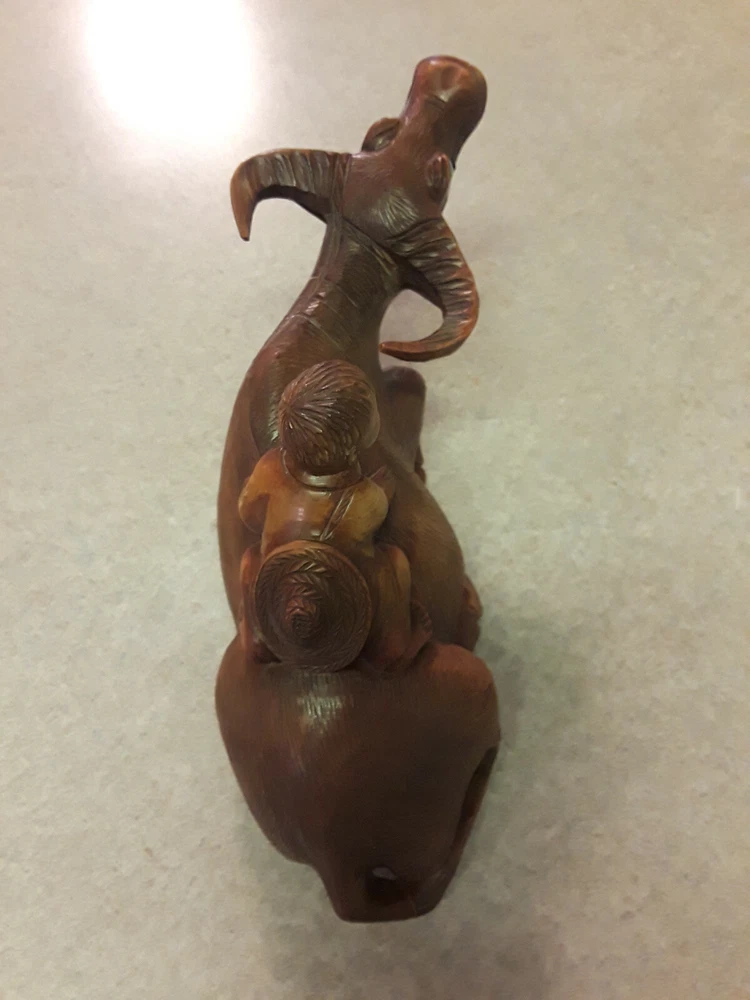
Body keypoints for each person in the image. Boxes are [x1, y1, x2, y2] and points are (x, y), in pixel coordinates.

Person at [237, 360, 430, 669]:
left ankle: (256, 635)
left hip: (281, 597)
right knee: (394, 561)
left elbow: (248, 514)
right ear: (358, 437)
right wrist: (381, 492)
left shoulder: (269, 468)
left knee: (250, 560)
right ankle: (395, 645)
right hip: (341, 603)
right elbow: (371, 525)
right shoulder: (366, 497)